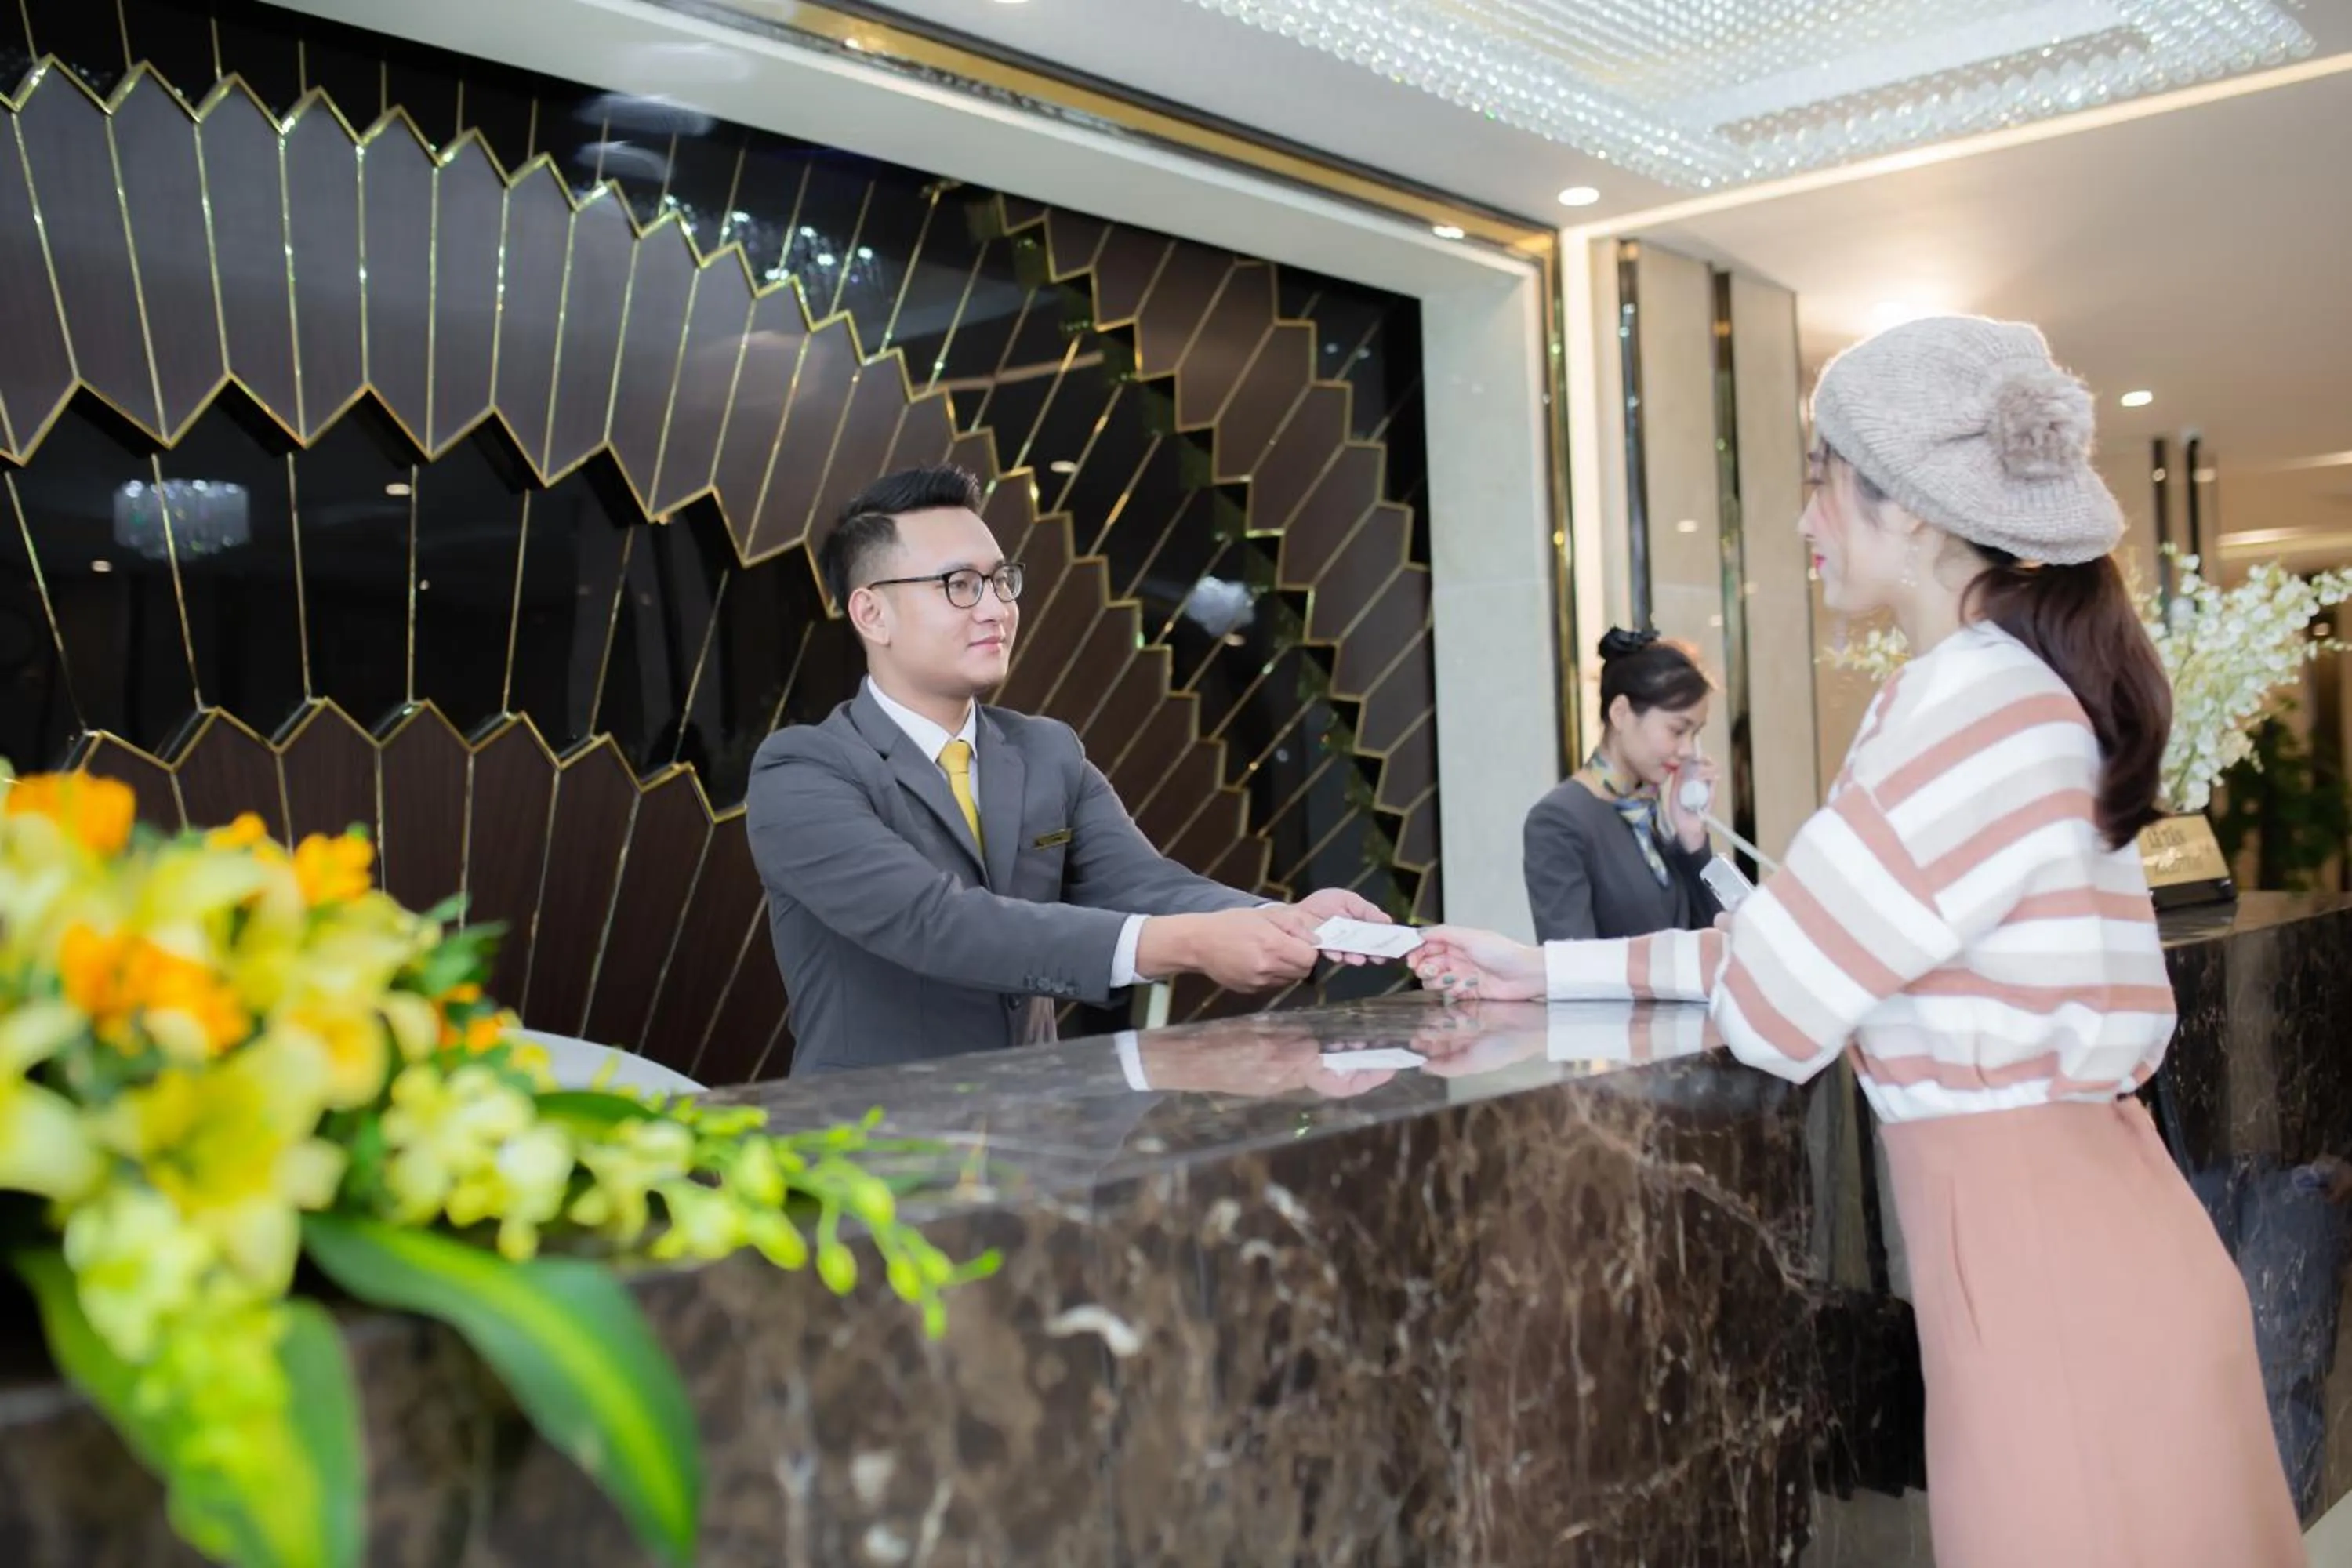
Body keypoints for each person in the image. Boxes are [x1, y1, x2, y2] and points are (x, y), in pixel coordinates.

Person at [1406, 317, 2300, 1567]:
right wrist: (1540, 970)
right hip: (2067, 1250)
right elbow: (1791, 950)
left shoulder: (1969, 704)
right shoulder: (2000, 688)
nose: (1806, 518)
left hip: (2045, 1273)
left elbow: (1776, 1005)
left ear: (1920, 510)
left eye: (1820, 477)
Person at [745, 464, 1389, 1075]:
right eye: (959, 585)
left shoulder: (1046, 752)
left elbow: (1147, 887)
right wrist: (1192, 943)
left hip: (1032, 1138)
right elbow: (939, 925)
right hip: (875, 1156)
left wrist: (1289, 921)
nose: (996, 608)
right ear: (871, 614)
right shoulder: (802, 773)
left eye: (1001, 581)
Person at [1523, 629, 1721, 940]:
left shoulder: (1649, 812)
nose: (1686, 750)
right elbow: (1573, 969)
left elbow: (1716, 940)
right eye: (1677, 730)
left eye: (1694, 735)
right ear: (1620, 713)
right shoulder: (1559, 820)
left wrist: (1692, 841)